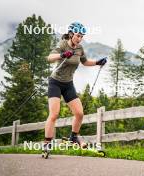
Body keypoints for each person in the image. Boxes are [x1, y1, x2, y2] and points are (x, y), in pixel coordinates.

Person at [43, 22, 107, 150]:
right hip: (55, 83)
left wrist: (97, 62)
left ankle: (73, 137)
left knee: (79, 113)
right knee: (54, 114)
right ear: (71, 34)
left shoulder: (79, 49)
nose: (80, 38)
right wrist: (62, 55)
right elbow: (49, 57)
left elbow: (84, 62)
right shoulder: (62, 44)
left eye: (82, 36)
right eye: (78, 35)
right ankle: (47, 143)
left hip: (68, 84)